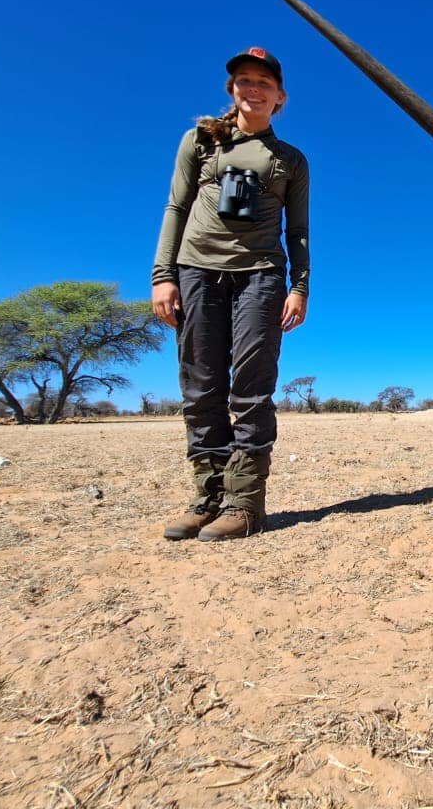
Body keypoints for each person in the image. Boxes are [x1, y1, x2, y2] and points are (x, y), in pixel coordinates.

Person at [151, 47, 310, 542]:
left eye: (264, 82)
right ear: (232, 90)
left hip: (261, 276)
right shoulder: (201, 141)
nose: (253, 88)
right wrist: (163, 275)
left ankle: (244, 505)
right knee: (201, 387)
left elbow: (298, 231)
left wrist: (300, 287)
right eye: (244, 80)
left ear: (280, 97)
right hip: (197, 271)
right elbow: (176, 207)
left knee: (252, 388)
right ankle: (208, 500)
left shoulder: (289, 160)